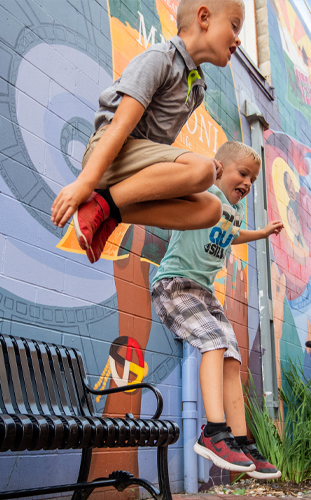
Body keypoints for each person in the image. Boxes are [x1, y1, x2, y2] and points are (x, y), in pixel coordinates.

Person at [50, 0, 246, 263]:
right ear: (204, 18)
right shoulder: (161, 59)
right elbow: (120, 125)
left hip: (136, 170)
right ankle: (101, 201)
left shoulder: (196, 88)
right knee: (203, 171)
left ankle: (113, 213)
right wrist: (85, 182)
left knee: (212, 209)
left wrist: (199, 168)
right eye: (234, 27)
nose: (238, 40)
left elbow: (158, 152)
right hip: (109, 155)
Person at [151, 141, 284, 477]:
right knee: (213, 341)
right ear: (220, 169)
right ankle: (213, 432)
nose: (248, 183)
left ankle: (239, 440)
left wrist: (262, 233)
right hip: (175, 284)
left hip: (205, 293)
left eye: (253, 179)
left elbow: (233, 234)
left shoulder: (234, 212)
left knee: (231, 356)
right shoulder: (208, 192)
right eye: (243, 173)